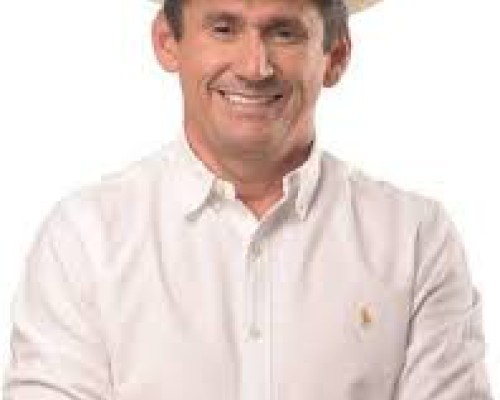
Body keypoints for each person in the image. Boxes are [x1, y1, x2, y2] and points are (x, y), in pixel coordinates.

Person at [2, 0, 493, 398]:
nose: (255, 67)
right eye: (223, 28)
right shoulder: (85, 240)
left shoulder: (415, 240)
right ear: (167, 41)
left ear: (336, 55)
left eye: (284, 32)